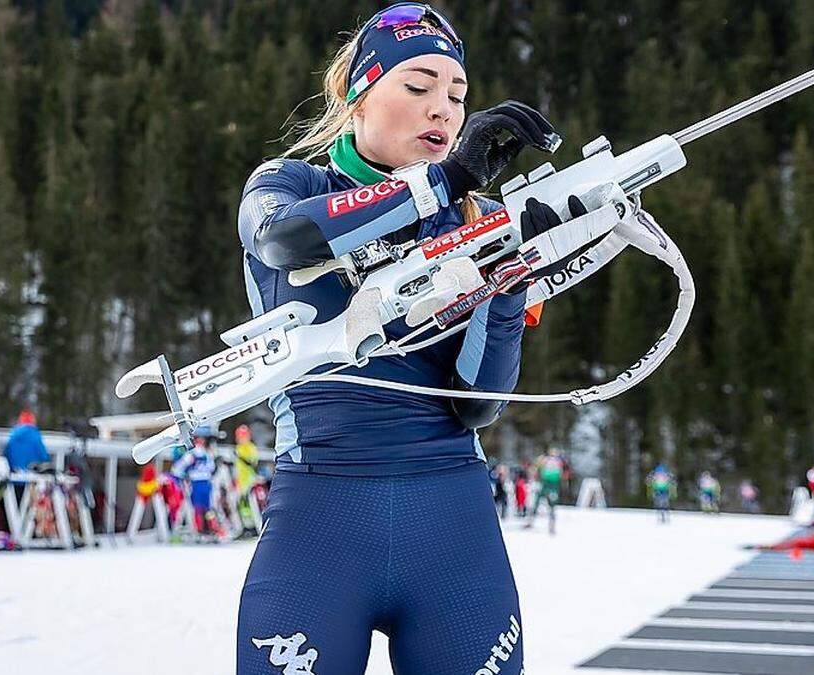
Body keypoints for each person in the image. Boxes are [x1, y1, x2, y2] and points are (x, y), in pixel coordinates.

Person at [234, 4, 582, 671]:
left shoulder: (471, 221)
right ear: (356, 95)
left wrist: (507, 287)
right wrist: (440, 182)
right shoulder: (289, 183)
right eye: (418, 87)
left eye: (457, 96)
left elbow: (476, 402)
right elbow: (284, 240)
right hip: (318, 526)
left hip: (454, 530)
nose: (443, 111)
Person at [170, 426, 219, 538]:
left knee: (203, 507)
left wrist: (180, 474)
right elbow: (179, 467)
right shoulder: (195, 454)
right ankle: (203, 529)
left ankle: (207, 529)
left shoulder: (203, 454)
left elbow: (178, 468)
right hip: (198, 482)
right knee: (201, 507)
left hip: (202, 482)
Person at [525, 447, 566, 534]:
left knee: (551, 504)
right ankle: (531, 521)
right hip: (546, 483)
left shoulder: (558, 461)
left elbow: (564, 472)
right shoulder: (546, 459)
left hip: (553, 484)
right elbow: (536, 467)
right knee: (539, 501)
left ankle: (551, 525)